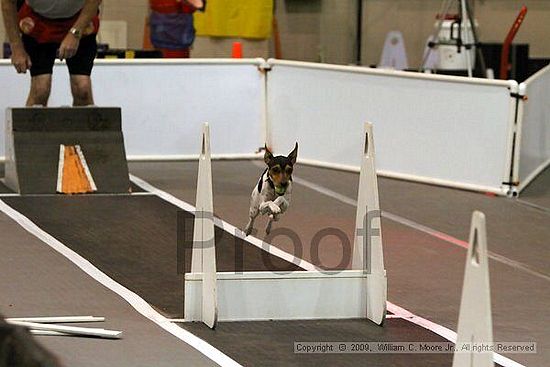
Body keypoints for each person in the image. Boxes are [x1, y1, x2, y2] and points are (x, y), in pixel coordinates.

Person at [1, 0, 102, 106]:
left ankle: (85, 122)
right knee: (40, 89)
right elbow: (7, 3)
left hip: (79, 18)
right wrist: (16, 47)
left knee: (82, 88)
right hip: (37, 22)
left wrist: (75, 33)